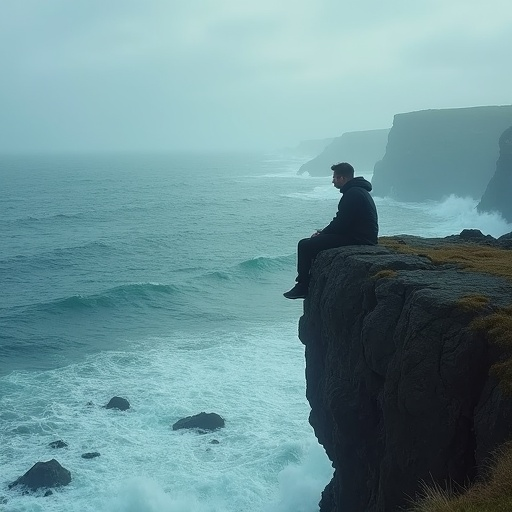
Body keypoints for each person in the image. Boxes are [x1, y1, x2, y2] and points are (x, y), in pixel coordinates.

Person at [283, 162, 378, 299]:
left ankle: (302, 286)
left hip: (359, 238)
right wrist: (324, 233)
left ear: (342, 178)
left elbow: (341, 223)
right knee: (311, 242)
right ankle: (304, 284)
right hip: (362, 235)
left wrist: (322, 234)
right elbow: (345, 221)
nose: (333, 181)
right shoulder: (358, 191)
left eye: (335, 177)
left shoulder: (352, 194)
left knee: (304, 245)